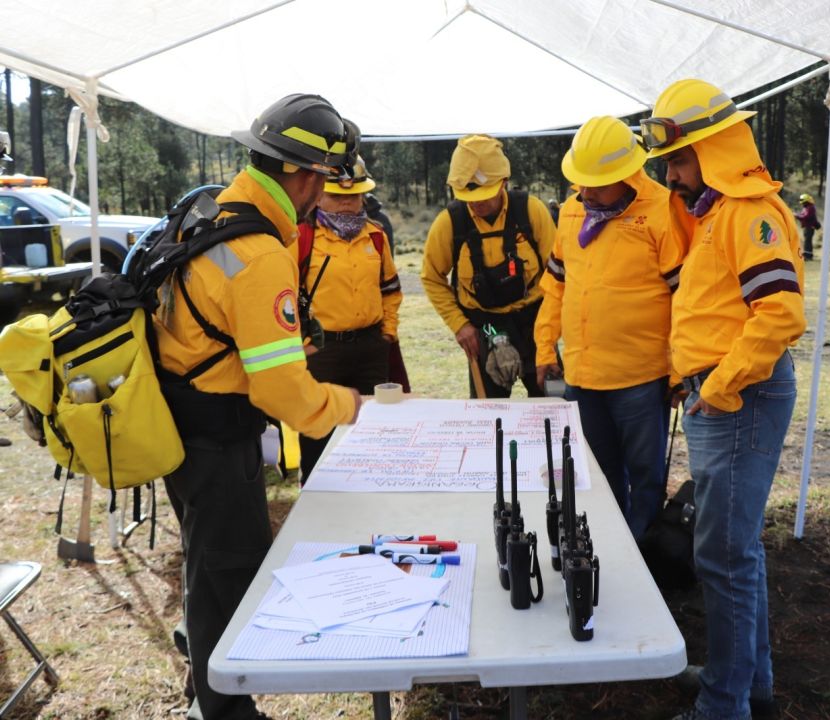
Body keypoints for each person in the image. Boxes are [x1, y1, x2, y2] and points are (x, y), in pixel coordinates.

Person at [153, 93, 362, 720]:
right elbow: (280, 392)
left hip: (180, 427)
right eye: (324, 180)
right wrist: (345, 406)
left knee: (206, 567)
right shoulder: (262, 254)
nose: (324, 194)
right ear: (301, 173)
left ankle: (208, 697)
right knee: (233, 575)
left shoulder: (211, 211)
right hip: (218, 443)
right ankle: (226, 712)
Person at [639, 79, 806, 720]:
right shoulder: (717, 212)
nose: (673, 176)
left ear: (712, 149)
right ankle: (747, 682)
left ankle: (724, 704)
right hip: (727, 397)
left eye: (679, 161)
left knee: (723, 554)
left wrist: (715, 385)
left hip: (741, 399)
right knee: (736, 550)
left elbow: (780, 313)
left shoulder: (749, 213)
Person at [534, 115, 683, 541]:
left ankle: (643, 555)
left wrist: (678, 369)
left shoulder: (662, 210)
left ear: (626, 173)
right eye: (580, 181)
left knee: (645, 477)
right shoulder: (571, 210)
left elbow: (683, 298)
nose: (586, 191)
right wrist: (545, 348)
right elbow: (556, 285)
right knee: (597, 475)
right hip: (582, 376)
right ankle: (609, 550)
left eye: (596, 182)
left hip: (640, 377)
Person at [421, 134, 554, 398]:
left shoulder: (531, 211)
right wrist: (460, 325)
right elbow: (431, 277)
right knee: (487, 418)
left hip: (535, 325)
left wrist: (549, 331)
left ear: (503, 182)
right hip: (485, 329)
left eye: (484, 195)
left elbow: (559, 271)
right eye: (469, 196)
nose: (476, 203)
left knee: (551, 411)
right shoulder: (450, 223)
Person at [296, 152, 402, 481]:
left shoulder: (375, 235)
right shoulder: (301, 237)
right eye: (337, 195)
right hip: (321, 351)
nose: (346, 203)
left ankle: (371, 489)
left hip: (370, 347)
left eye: (353, 195)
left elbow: (391, 289)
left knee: (373, 429)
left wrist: (387, 333)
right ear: (318, 194)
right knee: (319, 430)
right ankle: (315, 493)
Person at [794, 192, 820, 260]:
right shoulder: (807, 207)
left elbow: (806, 217)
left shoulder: (810, 207)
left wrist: (797, 216)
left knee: (807, 241)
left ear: (806, 201)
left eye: (803, 202)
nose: (802, 204)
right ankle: (808, 255)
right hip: (807, 227)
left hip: (809, 227)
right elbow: (803, 215)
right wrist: (798, 215)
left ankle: (807, 256)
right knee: (807, 241)